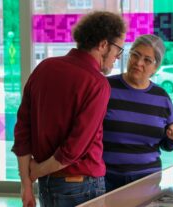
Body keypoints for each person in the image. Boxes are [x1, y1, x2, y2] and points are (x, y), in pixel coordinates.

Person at [11, 11, 126, 207]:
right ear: (103, 44)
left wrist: (26, 183)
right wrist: (35, 172)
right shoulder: (97, 83)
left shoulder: (44, 68)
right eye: (118, 50)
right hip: (82, 187)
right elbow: (73, 150)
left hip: (47, 185)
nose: (117, 57)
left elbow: (23, 130)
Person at [103, 34, 173, 192]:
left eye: (147, 60)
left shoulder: (162, 98)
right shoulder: (106, 88)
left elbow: (166, 144)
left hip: (147, 181)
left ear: (155, 67)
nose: (138, 63)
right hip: (107, 181)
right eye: (135, 55)